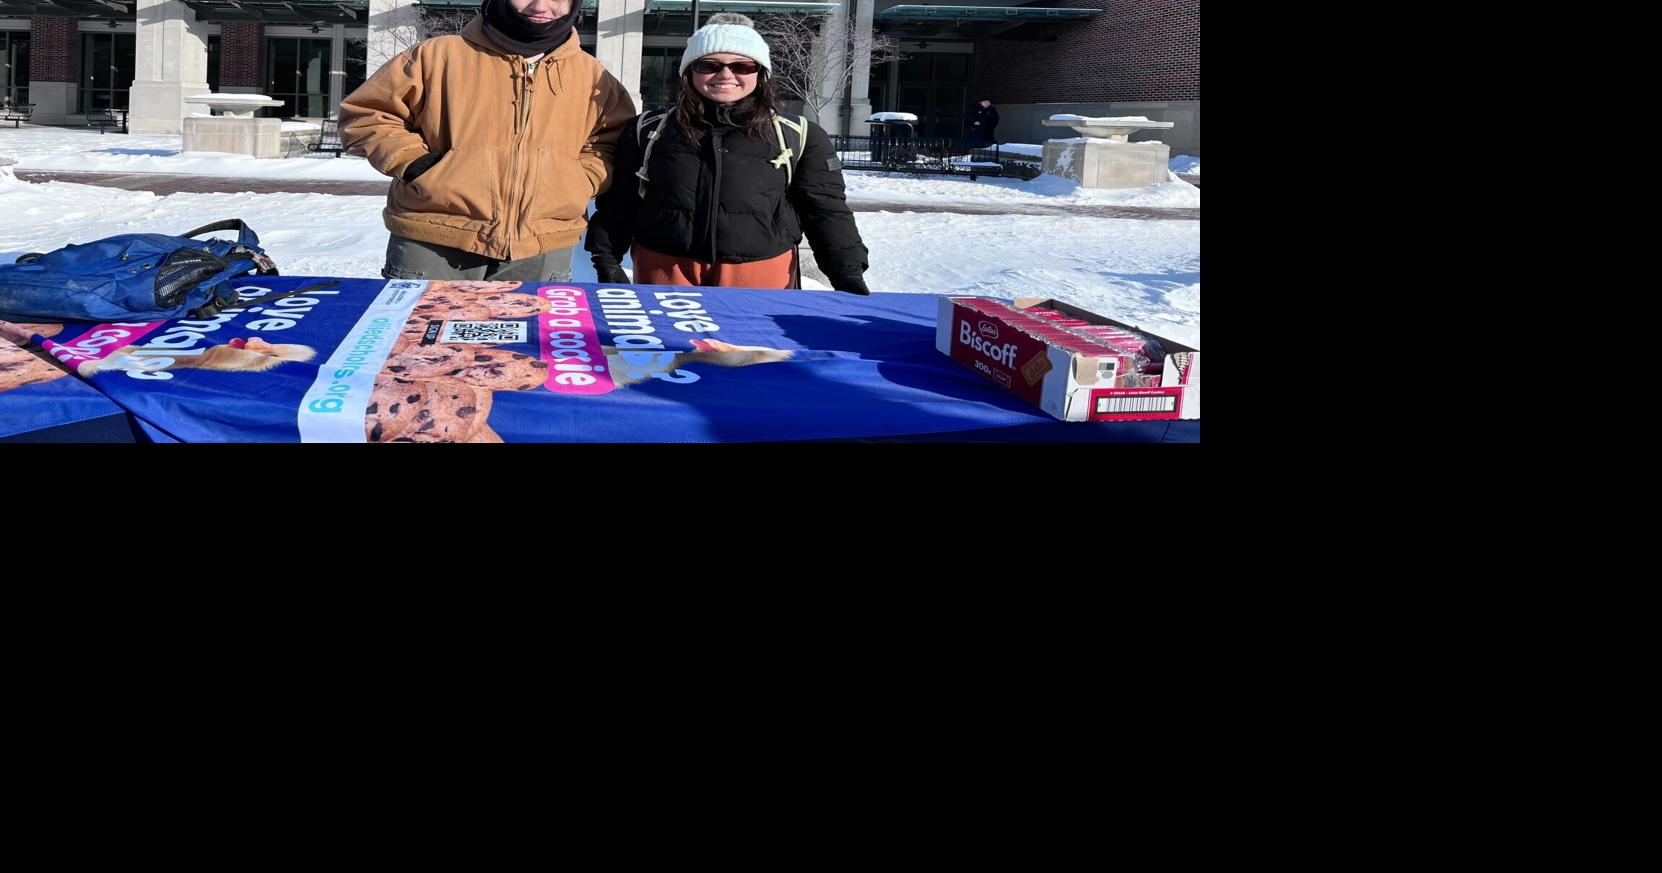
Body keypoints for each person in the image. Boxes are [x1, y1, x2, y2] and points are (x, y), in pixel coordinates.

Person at [339, 0, 635, 282]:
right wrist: (415, 164)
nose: (541, 7)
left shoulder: (594, 76)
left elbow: (610, 142)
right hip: (433, 237)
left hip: (544, 246)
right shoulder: (436, 56)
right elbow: (366, 114)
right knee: (423, 334)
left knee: (524, 336)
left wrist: (578, 179)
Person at [585, 13, 870, 294]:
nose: (725, 75)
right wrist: (605, 258)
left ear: (761, 73)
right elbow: (620, 202)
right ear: (688, 72)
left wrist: (846, 272)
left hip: (759, 273)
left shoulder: (798, 135)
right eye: (708, 65)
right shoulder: (648, 130)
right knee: (670, 342)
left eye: (742, 66)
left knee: (754, 343)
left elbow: (825, 210)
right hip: (666, 268)